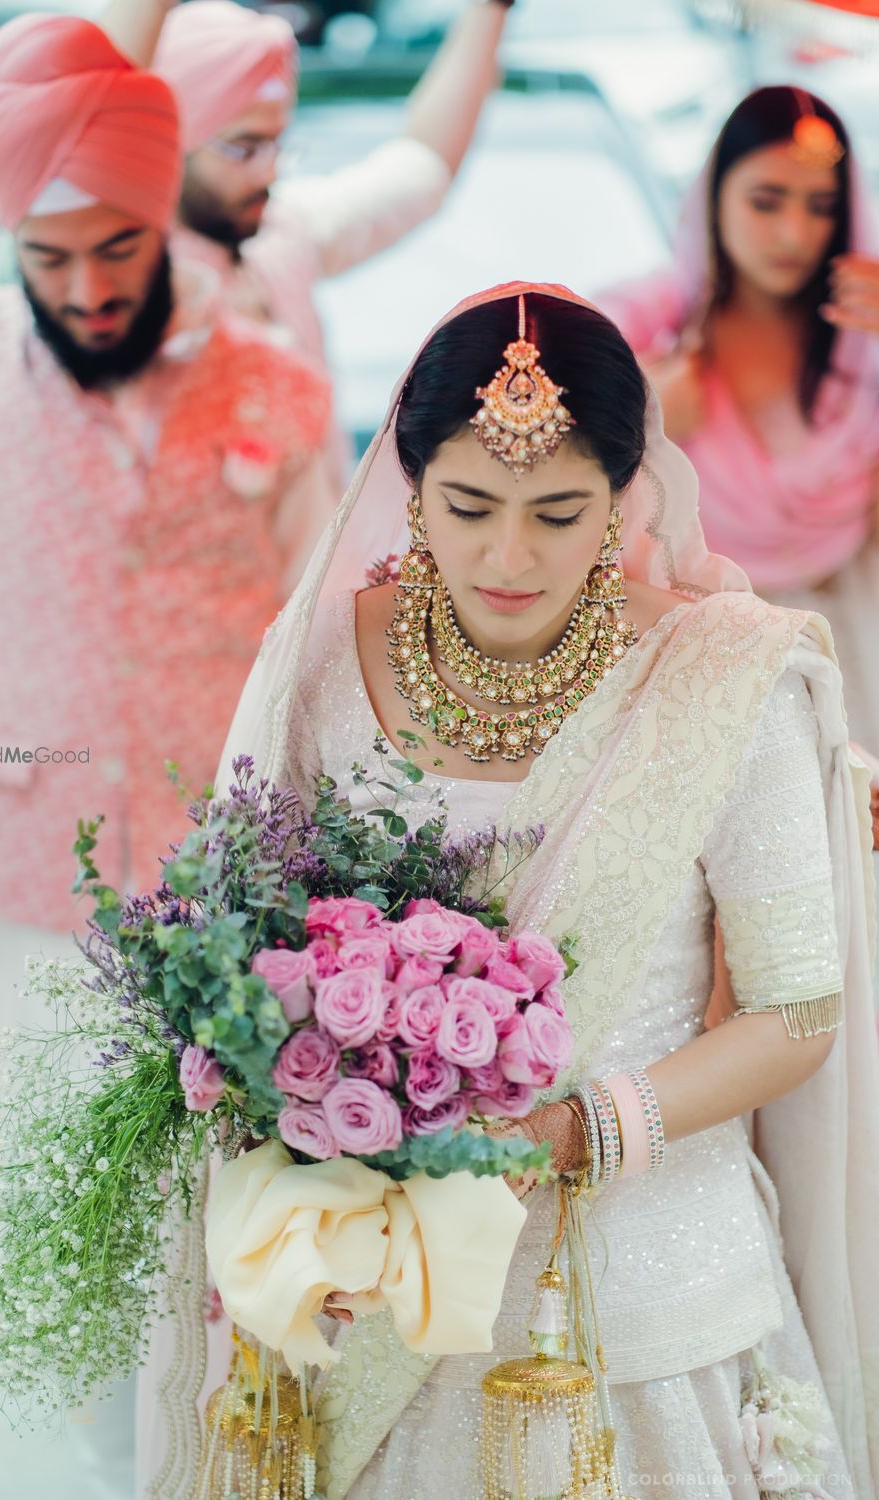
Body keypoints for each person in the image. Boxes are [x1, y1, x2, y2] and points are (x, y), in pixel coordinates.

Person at [150, 283, 879, 1497]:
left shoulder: (718, 679)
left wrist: (577, 1130)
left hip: (644, 1291)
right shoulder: (327, 660)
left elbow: (796, 1011)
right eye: (469, 507)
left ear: (624, 497)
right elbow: (240, 953)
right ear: (410, 484)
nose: (508, 557)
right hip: (373, 1278)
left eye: (559, 513)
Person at [0, 7, 331, 1195]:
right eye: (48, 256)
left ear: (164, 216)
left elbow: (326, 648)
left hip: (216, 923)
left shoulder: (274, 381)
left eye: (117, 249)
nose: (83, 290)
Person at [101, 0, 518, 504]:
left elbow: (421, 169)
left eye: (279, 144)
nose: (269, 172)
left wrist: (491, 9)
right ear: (162, 142)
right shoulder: (121, 276)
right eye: (244, 147)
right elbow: (97, 106)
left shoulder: (280, 233)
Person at [599, 86, 879, 767]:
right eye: (766, 200)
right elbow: (523, 415)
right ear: (713, 195)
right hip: (701, 655)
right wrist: (638, 407)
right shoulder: (652, 323)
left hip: (857, 645)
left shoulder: (863, 331)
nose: (794, 234)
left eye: (821, 208)